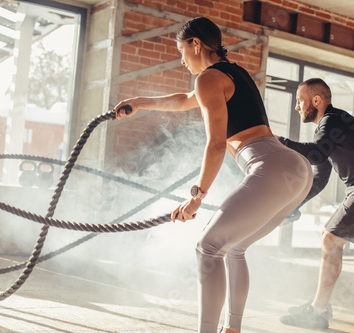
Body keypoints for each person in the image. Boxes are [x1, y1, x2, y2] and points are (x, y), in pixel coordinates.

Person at [114, 17, 313, 333]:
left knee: (207, 247)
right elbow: (184, 100)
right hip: (296, 170)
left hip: (271, 167)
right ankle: (231, 329)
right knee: (234, 248)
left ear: (196, 44)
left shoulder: (208, 78)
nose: (181, 60)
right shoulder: (234, 73)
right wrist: (140, 103)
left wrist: (197, 197)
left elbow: (217, 143)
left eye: (182, 51)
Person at [277, 78, 354, 329]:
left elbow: (316, 153)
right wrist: (295, 204)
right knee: (330, 240)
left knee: (330, 239)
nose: (297, 107)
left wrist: (278, 142)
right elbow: (320, 178)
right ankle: (318, 308)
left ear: (316, 100)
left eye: (300, 100)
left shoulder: (333, 121)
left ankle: (318, 312)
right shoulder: (327, 126)